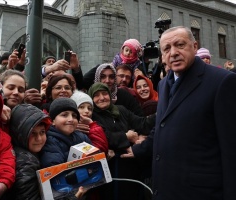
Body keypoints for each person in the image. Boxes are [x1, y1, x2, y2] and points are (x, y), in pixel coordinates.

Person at [152, 26, 236, 200]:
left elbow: (231, 149)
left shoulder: (222, 81)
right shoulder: (163, 85)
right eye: (166, 49)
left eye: (180, 45)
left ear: (194, 46)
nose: (173, 53)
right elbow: (165, 128)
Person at [87, 82, 155, 200]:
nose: (102, 98)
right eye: (96, 95)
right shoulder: (91, 116)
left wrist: (159, 115)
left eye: (104, 93)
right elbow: (102, 137)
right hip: (111, 170)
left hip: (131, 168)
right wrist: (126, 136)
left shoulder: (121, 110)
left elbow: (141, 124)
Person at [5, 104, 52, 199]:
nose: (39, 139)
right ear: (19, 134)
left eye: (42, 132)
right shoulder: (25, 162)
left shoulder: (33, 153)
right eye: (32, 133)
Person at [40, 97, 92, 168]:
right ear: (53, 121)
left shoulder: (82, 137)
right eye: (64, 115)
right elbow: (55, 171)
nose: (71, 119)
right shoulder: (49, 141)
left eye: (74, 116)